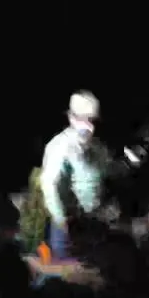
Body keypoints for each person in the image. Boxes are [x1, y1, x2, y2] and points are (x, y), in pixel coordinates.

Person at [40, 91, 112, 260]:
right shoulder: (59, 147)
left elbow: (105, 175)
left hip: (92, 221)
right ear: (71, 117)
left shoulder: (99, 148)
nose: (87, 125)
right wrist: (61, 221)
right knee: (65, 266)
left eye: (91, 119)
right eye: (81, 118)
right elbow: (48, 185)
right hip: (65, 225)